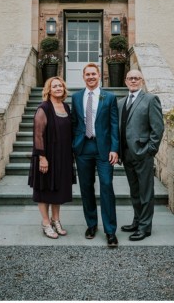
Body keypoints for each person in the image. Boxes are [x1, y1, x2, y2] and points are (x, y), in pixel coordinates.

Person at [70, 63, 119, 246]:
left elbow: (114, 124)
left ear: (99, 75)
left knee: (106, 186)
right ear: (83, 77)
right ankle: (91, 224)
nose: (91, 77)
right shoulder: (75, 97)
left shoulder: (109, 97)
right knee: (86, 187)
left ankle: (110, 231)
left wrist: (115, 148)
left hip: (104, 149)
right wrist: (73, 145)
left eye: (94, 74)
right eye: (87, 74)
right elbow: (74, 123)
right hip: (83, 149)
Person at [117, 69, 164, 240]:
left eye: (136, 78)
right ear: (126, 81)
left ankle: (145, 227)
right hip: (127, 154)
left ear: (142, 81)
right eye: (130, 78)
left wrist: (149, 151)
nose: (133, 81)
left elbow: (157, 129)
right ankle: (137, 221)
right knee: (134, 192)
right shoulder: (121, 102)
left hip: (143, 154)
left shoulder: (151, 100)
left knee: (145, 193)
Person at [28, 76, 74, 238]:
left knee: (58, 190)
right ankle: (46, 222)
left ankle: (56, 220)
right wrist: (42, 157)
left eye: (60, 86)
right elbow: (38, 135)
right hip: (46, 156)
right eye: (54, 86)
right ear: (49, 89)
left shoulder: (66, 107)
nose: (58, 88)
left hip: (62, 156)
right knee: (44, 189)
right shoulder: (44, 108)